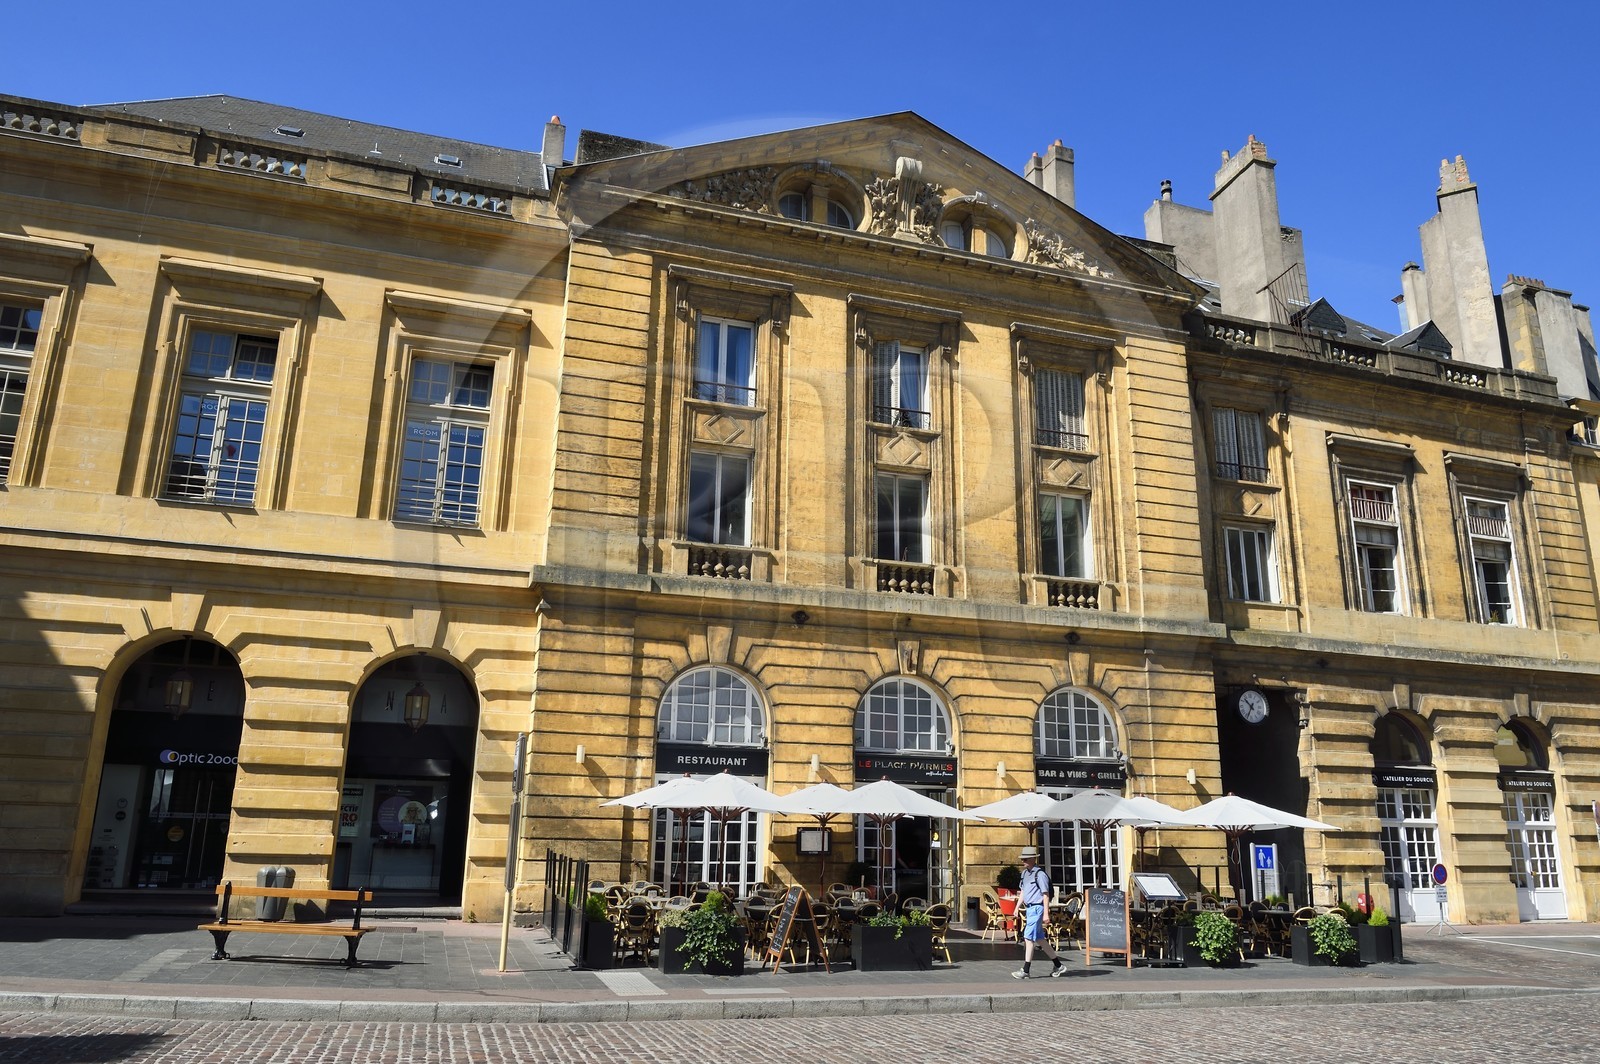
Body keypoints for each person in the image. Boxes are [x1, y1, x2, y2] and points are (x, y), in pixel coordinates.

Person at [1011, 845, 1064, 978]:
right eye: (1022, 859)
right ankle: (1058, 965)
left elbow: (1045, 894)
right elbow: (1023, 892)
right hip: (1029, 909)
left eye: (1026, 859)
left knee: (1028, 938)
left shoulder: (1040, 875)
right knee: (1040, 939)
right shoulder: (1024, 874)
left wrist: (1046, 913)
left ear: (1033, 859)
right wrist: (1017, 907)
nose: (1023, 861)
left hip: (1037, 908)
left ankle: (1026, 970)